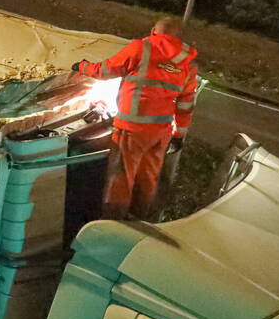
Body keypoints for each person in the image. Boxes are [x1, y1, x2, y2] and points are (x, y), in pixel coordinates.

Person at [72, 17, 198, 221]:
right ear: (178, 37)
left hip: (132, 129)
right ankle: (140, 220)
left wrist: (82, 66)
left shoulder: (141, 48)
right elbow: (186, 104)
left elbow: (104, 70)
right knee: (147, 179)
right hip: (161, 132)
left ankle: (113, 224)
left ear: (154, 31)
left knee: (120, 179)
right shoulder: (188, 64)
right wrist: (179, 134)